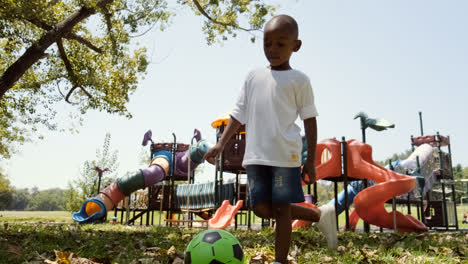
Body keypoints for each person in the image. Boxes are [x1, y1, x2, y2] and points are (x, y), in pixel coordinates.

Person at [203, 14, 337, 263]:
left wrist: (309, 161)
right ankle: (320, 215)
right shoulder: (252, 77)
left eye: (281, 43)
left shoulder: (300, 80)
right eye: (267, 43)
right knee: (261, 208)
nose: (272, 49)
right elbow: (238, 113)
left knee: (282, 209)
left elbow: (310, 118)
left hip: (285, 156)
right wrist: (221, 144)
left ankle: (280, 259)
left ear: (296, 46)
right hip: (255, 156)